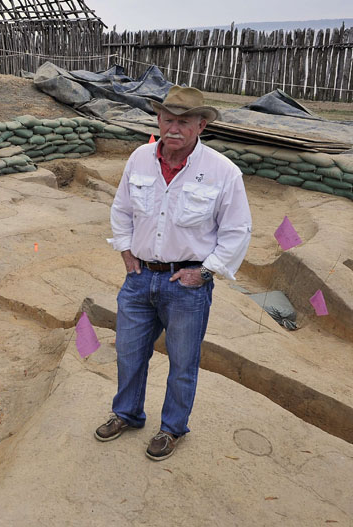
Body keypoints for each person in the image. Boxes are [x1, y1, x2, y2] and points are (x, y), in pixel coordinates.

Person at [95, 85, 252, 461]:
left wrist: (205, 272)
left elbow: (237, 230)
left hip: (186, 285)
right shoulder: (139, 158)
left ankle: (172, 428)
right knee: (129, 353)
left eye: (184, 121)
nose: (174, 128)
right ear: (159, 120)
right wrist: (126, 250)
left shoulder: (222, 172)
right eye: (168, 119)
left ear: (201, 125)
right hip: (139, 278)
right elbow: (121, 208)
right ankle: (127, 414)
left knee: (182, 363)